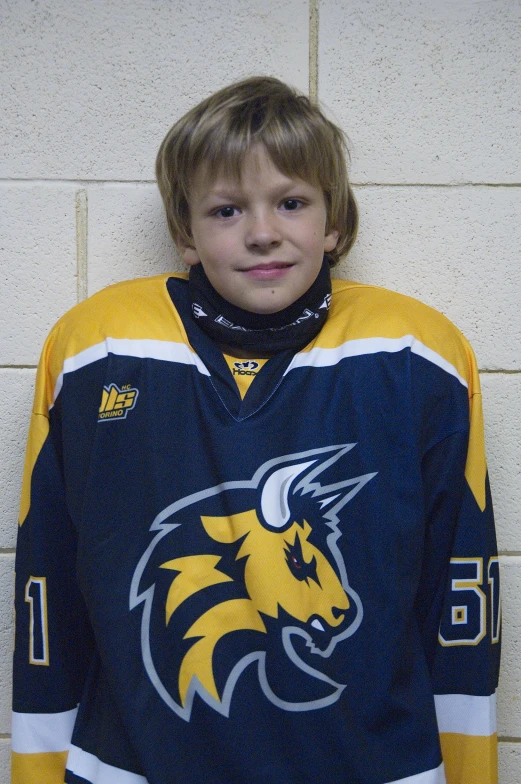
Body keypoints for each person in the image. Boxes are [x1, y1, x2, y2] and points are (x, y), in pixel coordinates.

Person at [11, 77, 500, 784]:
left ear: (333, 222)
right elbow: (48, 578)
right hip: (133, 764)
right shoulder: (94, 349)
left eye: (292, 202)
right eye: (226, 208)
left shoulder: (418, 354)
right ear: (184, 231)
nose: (263, 230)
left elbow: (460, 586)